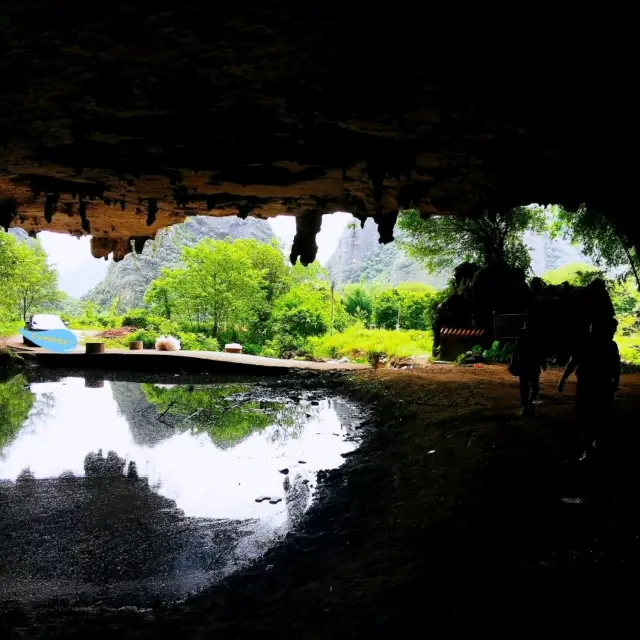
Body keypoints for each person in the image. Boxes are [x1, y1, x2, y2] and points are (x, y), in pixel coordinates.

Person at [557, 317, 620, 455]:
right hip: (598, 386)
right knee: (594, 415)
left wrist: (562, 381)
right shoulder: (607, 345)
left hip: (592, 385)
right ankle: (592, 445)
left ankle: (590, 447)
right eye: (612, 330)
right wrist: (615, 382)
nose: (613, 333)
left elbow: (572, 363)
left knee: (589, 415)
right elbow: (616, 367)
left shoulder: (593, 344)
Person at [510, 322, 546, 416]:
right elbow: (541, 354)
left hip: (527, 367)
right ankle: (527, 404)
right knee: (531, 388)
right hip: (530, 367)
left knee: (527, 388)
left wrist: (512, 363)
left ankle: (526, 405)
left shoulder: (523, 341)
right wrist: (543, 363)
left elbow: (514, 353)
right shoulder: (532, 341)